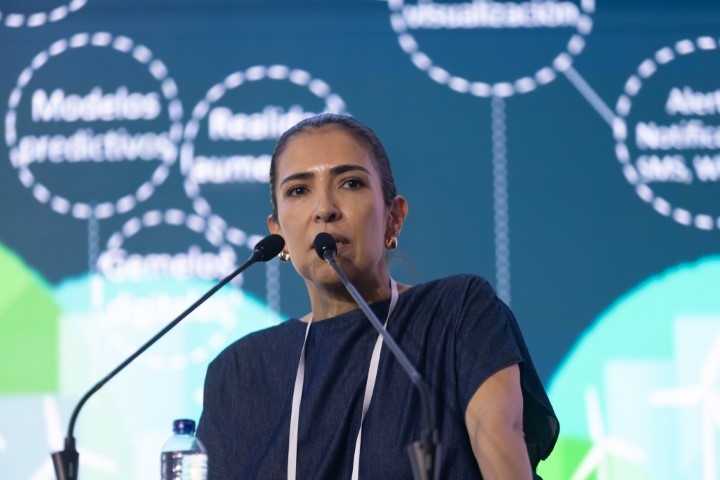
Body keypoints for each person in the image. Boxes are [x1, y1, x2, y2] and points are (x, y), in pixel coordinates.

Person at [196, 113, 559, 479]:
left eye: (351, 183)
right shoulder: (238, 373)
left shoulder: (457, 313)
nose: (325, 209)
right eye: (299, 191)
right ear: (278, 235)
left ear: (393, 218)